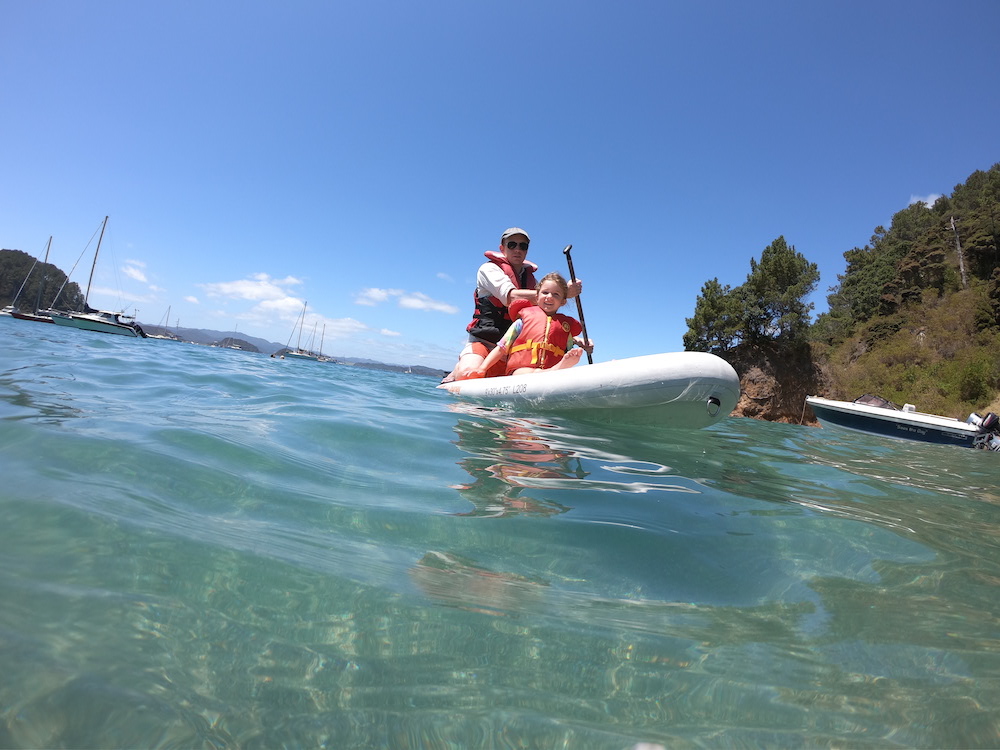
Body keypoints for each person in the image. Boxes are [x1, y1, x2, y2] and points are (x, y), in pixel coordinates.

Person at [448, 227, 582, 380]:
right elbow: (511, 297)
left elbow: (544, 319)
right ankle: (459, 369)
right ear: (502, 248)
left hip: (513, 350)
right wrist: (562, 292)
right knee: (468, 374)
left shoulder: (532, 282)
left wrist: (574, 339)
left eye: (523, 246)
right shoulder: (489, 269)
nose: (517, 249)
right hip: (484, 343)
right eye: (512, 244)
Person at [471, 272, 591, 378]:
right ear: (537, 296)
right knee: (525, 372)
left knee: (559, 370)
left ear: (563, 301)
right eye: (545, 292)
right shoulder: (521, 322)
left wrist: (582, 343)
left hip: (552, 374)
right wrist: (482, 368)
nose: (549, 296)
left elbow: (569, 346)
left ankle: (556, 370)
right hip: (522, 371)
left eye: (556, 294)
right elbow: (501, 348)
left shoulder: (565, 327)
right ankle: (555, 370)